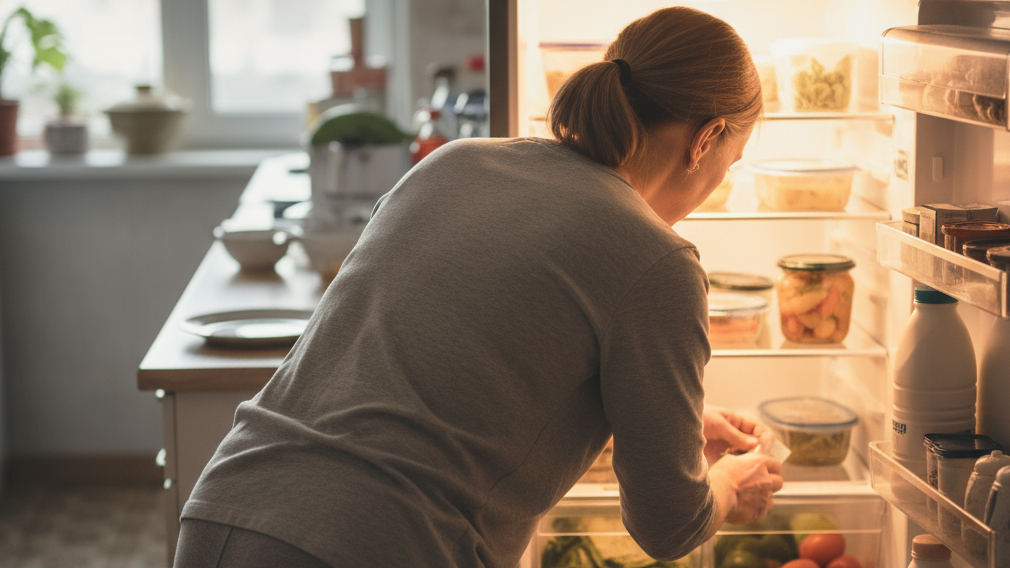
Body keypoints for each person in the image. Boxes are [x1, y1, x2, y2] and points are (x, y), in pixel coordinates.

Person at [174, 6, 783, 568]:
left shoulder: (455, 162)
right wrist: (730, 485)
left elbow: (459, 382)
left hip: (227, 507)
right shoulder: (660, 259)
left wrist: (668, 427)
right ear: (706, 139)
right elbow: (669, 525)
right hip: (379, 543)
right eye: (728, 164)